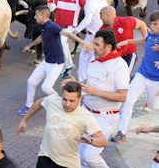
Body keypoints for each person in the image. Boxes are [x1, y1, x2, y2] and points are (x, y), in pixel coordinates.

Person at [64, 29, 129, 167]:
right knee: (80, 155)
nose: (93, 48)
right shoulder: (93, 60)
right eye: (94, 44)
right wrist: (76, 85)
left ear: (109, 47)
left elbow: (123, 96)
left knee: (90, 156)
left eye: (97, 45)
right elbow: (88, 86)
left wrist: (96, 92)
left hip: (106, 117)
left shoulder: (119, 65)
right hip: (86, 112)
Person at [17, 5, 92, 116]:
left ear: (43, 16)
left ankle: (63, 102)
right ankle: (28, 106)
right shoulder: (43, 26)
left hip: (56, 63)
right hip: (46, 61)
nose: (34, 17)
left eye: (36, 15)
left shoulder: (52, 26)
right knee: (31, 82)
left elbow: (66, 33)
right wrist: (29, 45)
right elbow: (42, 37)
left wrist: (82, 42)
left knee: (46, 88)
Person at [17, 81, 108, 168]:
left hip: (68, 164)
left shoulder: (85, 116)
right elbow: (39, 103)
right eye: (64, 99)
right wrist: (25, 119)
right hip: (46, 157)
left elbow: (103, 141)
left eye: (72, 101)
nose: (67, 104)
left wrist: (90, 141)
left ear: (79, 99)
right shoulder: (53, 100)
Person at [111, 10, 159, 144]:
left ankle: (151, 102)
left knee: (153, 106)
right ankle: (122, 132)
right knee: (128, 100)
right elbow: (144, 40)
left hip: (156, 81)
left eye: (155, 24)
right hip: (142, 75)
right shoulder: (151, 35)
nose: (152, 26)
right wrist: (126, 42)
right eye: (151, 23)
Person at [47, 0, 86, 78]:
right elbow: (51, 9)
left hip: (69, 28)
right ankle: (69, 65)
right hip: (58, 27)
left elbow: (88, 7)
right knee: (63, 46)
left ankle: (67, 66)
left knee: (61, 43)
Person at [74, 0, 108, 82]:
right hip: (101, 34)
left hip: (93, 35)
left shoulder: (90, 1)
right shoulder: (102, 0)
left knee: (85, 58)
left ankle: (83, 81)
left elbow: (88, 19)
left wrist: (76, 31)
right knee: (94, 58)